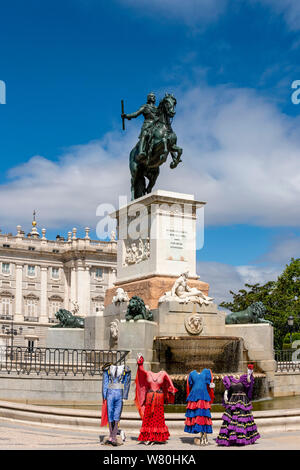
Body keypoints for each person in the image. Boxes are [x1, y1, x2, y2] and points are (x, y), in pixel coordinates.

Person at [135, 354, 177, 445]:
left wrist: (171, 392)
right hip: (150, 397)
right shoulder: (148, 373)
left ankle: (156, 437)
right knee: (148, 416)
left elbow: (171, 385)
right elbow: (141, 371)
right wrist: (140, 361)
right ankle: (149, 437)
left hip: (159, 397)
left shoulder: (164, 373)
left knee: (158, 417)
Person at [216, 364, 260, 446]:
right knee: (231, 419)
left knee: (242, 419)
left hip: (242, 401)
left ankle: (243, 438)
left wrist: (250, 373)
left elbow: (250, 385)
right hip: (233, 402)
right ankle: (232, 439)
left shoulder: (245, 379)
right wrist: (225, 396)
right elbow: (227, 391)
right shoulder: (227, 379)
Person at [100, 363, 131, 446]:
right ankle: (112, 435)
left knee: (117, 414)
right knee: (110, 413)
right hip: (110, 393)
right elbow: (105, 382)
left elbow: (127, 383)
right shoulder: (107, 369)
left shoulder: (126, 370)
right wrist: (104, 395)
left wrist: (125, 395)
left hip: (119, 393)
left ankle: (113, 436)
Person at [122, 92, 158, 163]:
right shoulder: (145, 107)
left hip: (156, 125)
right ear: (148, 98)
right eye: (152, 96)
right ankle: (141, 152)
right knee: (144, 134)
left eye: (154, 97)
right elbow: (136, 114)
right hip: (147, 125)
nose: (153, 98)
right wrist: (127, 116)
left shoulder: (157, 108)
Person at [184, 368, 215, 445]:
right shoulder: (205, 373)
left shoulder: (197, 373)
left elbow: (190, 385)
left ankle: (203, 436)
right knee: (201, 416)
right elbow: (210, 385)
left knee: (200, 416)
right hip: (200, 395)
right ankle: (203, 436)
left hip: (198, 396)